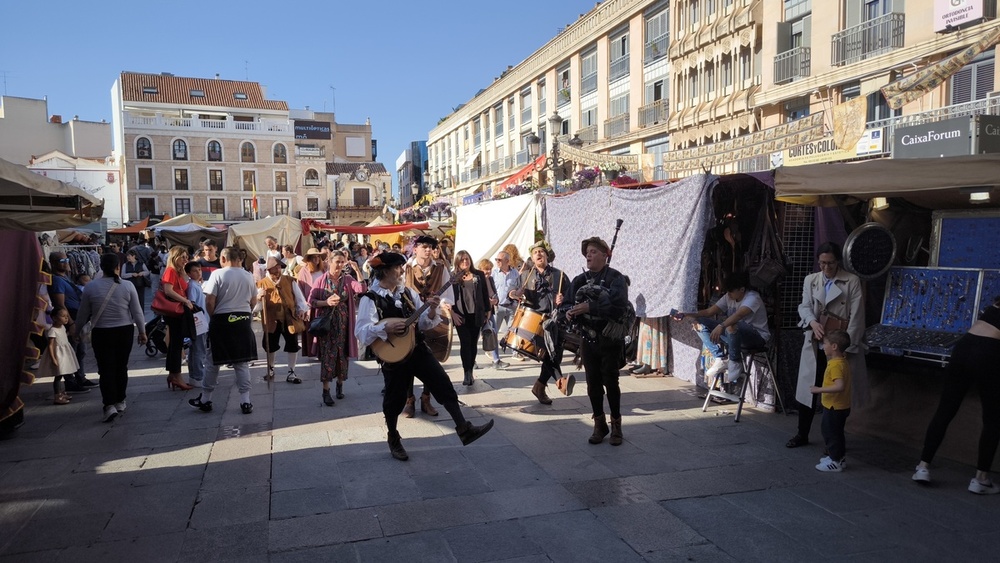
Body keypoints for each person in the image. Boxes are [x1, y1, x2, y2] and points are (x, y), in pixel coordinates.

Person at [356, 252, 494, 461]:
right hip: (393, 355)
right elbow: (362, 332)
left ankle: (463, 428)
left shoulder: (407, 293)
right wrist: (385, 325)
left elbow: (422, 324)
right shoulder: (371, 298)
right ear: (385, 271)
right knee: (395, 400)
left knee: (442, 383)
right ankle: (393, 437)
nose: (401, 271)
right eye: (397, 268)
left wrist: (430, 312)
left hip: (418, 349)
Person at [912, 296, 1000, 494]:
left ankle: (923, 467)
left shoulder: (995, 304)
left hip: (964, 347)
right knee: (993, 418)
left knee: (945, 409)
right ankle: (981, 479)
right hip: (991, 352)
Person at [788, 242, 866, 449]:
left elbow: (857, 317)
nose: (826, 268)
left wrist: (845, 347)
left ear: (838, 261)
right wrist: (812, 322)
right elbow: (804, 306)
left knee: (835, 392)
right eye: (822, 263)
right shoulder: (811, 280)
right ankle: (801, 433)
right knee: (808, 388)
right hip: (815, 339)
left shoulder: (851, 281)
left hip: (838, 343)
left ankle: (834, 441)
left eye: (830, 263)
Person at [564, 237, 629, 445]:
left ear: (604, 255)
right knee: (592, 384)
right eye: (587, 253)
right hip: (587, 338)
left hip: (609, 338)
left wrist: (590, 308)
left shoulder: (615, 278)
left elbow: (619, 307)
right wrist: (568, 312)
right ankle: (599, 424)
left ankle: (616, 425)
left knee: (611, 382)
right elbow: (565, 304)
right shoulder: (578, 281)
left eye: (593, 251)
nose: (589, 255)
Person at [76, 253, 148, 422]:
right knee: (121, 366)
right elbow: (137, 312)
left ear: (101, 267)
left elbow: (83, 313)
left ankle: (109, 405)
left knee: (105, 369)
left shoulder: (91, 287)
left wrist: (77, 330)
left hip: (102, 333)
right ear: (117, 267)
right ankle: (120, 400)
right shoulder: (127, 286)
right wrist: (143, 332)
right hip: (124, 331)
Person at [188, 247, 258, 414]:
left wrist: (214, 317)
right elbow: (253, 301)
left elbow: (210, 301)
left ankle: (206, 399)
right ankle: (245, 401)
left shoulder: (218, 274)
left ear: (224, 259)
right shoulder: (248, 275)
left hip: (222, 320)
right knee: (241, 362)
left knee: (213, 361)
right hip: (242, 320)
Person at [678, 272, 770, 387]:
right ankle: (720, 357)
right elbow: (709, 312)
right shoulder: (728, 296)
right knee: (699, 322)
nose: (729, 294)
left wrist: (721, 326)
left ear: (742, 289)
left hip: (756, 337)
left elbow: (739, 315)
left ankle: (734, 361)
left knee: (732, 325)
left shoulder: (753, 297)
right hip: (733, 336)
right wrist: (686, 314)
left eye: (731, 291)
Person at [509, 241, 571, 404]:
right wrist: (517, 293)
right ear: (532, 257)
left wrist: (563, 299)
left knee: (555, 355)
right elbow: (511, 293)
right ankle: (559, 381)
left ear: (547, 256)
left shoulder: (560, 275)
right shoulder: (525, 275)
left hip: (554, 321)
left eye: (541, 252)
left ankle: (539, 386)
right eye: (535, 252)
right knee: (548, 354)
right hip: (533, 322)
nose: (538, 254)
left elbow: (571, 297)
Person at [403, 235, 454, 417]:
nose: (427, 250)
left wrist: (442, 304)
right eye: (424, 246)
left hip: (433, 317)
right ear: (415, 248)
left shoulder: (441, 268)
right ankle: (409, 400)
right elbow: (400, 292)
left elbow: (448, 294)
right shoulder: (406, 268)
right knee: (407, 358)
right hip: (412, 319)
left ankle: (426, 398)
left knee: (431, 360)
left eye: (430, 247)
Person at [309, 250, 365, 405]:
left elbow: (362, 289)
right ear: (329, 261)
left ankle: (340, 385)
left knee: (343, 355)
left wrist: (357, 270)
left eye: (342, 262)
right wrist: (326, 303)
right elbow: (311, 301)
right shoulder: (321, 280)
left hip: (344, 324)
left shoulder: (347, 279)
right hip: (327, 326)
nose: (340, 265)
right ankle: (326, 391)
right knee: (328, 356)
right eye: (337, 261)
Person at [47, 251, 96, 393]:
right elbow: (60, 304)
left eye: (67, 259)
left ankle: (80, 377)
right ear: (54, 263)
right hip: (70, 318)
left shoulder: (66, 278)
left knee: (80, 351)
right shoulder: (56, 280)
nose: (67, 262)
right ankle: (70, 381)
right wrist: (71, 323)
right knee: (71, 351)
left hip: (77, 316)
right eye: (63, 260)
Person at [256, 256, 308, 384]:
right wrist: (258, 297)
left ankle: (291, 372)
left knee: (292, 345)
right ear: (269, 270)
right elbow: (255, 308)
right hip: (271, 319)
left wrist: (302, 309)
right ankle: (271, 369)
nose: (278, 271)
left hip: (289, 318)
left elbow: (299, 298)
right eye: (275, 268)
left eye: (279, 268)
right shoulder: (261, 284)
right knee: (270, 346)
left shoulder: (290, 280)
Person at [810, 329, 852, 473]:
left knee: (830, 433)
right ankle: (839, 458)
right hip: (841, 405)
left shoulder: (835, 365)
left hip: (835, 406)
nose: (823, 346)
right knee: (837, 432)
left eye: (825, 343)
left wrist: (818, 389)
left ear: (834, 347)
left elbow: (839, 386)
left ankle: (835, 461)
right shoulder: (841, 361)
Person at [450, 251, 493, 386]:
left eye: (467, 259)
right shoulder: (452, 276)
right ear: (457, 262)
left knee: (473, 343)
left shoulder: (479, 275)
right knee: (465, 342)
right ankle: (466, 372)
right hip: (460, 315)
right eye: (462, 260)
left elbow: (485, 294)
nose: (465, 262)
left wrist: (488, 312)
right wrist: (451, 313)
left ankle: (471, 370)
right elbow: (448, 297)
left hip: (476, 314)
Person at [160, 246, 195, 391]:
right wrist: (185, 300)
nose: (186, 260)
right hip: (175, 311)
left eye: (187, 257)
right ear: (175, 258)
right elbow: (168, 290)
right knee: (176, 344)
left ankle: (173, 375)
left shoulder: (177, 272)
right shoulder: (170, 271)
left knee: (176, 343)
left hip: (178, 311)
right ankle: (177, 377)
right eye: (183, 257)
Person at [37, 306, 78, 405]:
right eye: (63, 316)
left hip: (64, 354)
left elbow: (64, 336)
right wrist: (53, 358)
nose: (66, 318)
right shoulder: (53, 330)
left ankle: (61, 393)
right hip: (58, 355)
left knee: (63, 374)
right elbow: (50, 345)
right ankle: (57, 395)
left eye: (66, 316)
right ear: (55, 318)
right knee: (58, 376)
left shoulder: (63, 327)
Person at [490, 250, 520, 368]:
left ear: (507, 261)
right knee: (493, 333)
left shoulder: (515, 273)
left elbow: (519, 287)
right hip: (498, 307)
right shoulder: (494, 273)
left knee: (513, 330)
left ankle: (515, 352)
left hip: (511, 306)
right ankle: (495, 357)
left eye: (499, 260)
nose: (497, 262)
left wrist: (516, 293)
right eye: (496, 259)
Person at [185, 262, 209, 388]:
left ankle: (194, 375)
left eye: (199, 270)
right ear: (189, 273)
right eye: (194, 271)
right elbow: (192, 303)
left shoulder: (197, 285)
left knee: (196, 349)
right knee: (199, 349)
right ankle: (198, 376)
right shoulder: (192, 286)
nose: (198, 272)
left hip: (202, 321)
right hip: (199, 321)